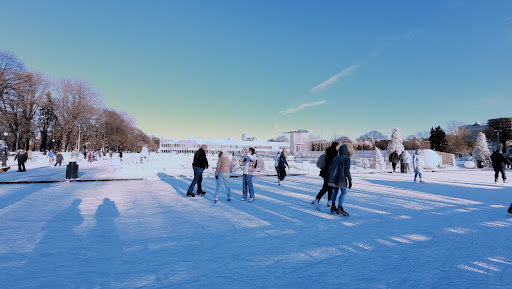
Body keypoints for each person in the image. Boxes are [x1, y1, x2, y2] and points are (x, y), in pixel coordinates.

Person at [328, 143, 353, 216]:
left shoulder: (336, 157)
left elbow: (331, 168)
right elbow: (347, 171)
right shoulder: (347, 158)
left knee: (335, 191)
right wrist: (350, 180)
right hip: (341, 179)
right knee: (344, 192)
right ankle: (339, 207)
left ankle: (333, 206)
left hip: (333, 177)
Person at [312, 142, 339, 209]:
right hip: (329, 172)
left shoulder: (329, 151)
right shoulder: (333, 153)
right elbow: (330, 163)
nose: (339, 147)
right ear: (335, 146)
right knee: (326, 187)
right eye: (338, 146)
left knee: (329, 187)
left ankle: (329, 202)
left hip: (326, 172)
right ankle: (316, 200)